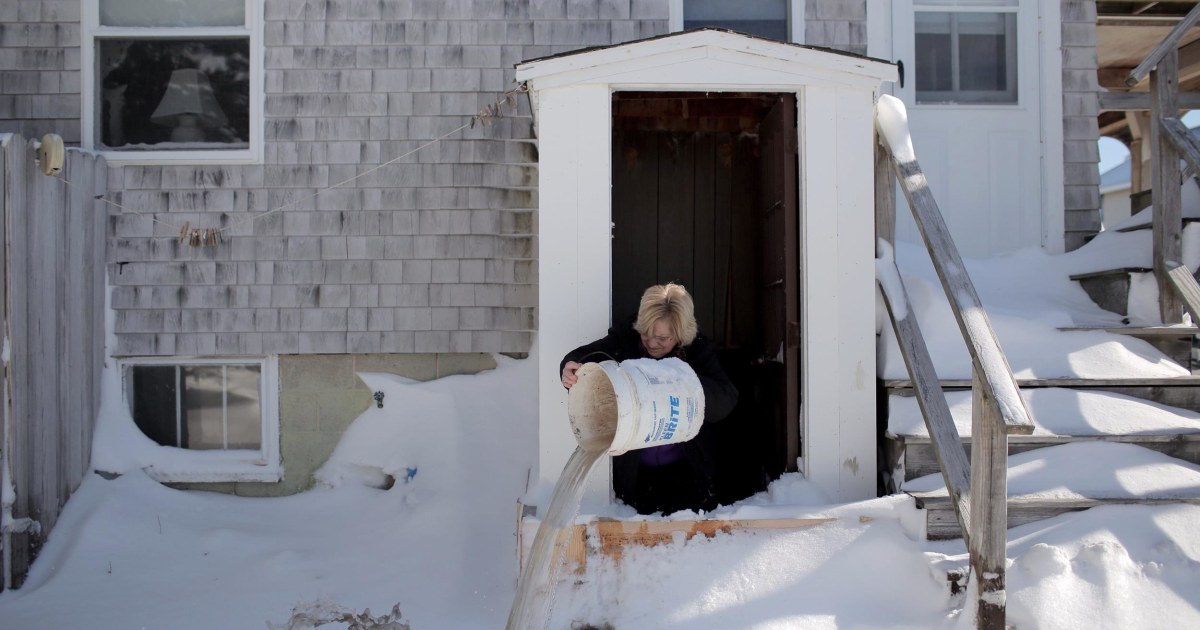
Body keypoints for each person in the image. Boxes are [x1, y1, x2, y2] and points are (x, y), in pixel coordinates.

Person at [560, 283, 738, 515]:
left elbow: (726, 398)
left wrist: (685, 383)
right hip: (635, 474)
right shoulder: (625, 341)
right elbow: (582, 358)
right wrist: (569, 367)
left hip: (686, 472)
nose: (652, 343)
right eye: (646, 334)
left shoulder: (696, 351)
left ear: (680, 334)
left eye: (663, 338)